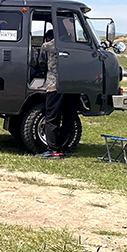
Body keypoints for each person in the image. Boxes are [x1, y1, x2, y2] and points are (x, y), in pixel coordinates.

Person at [36, 28, 79, 159]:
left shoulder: (47, 46)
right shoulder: (74, 46)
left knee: (52, 118)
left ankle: (53, 149)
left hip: (54, 85)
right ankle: (64, 149)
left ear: (49, 38)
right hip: (72, 85)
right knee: (69, 118)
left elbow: (42, 64)